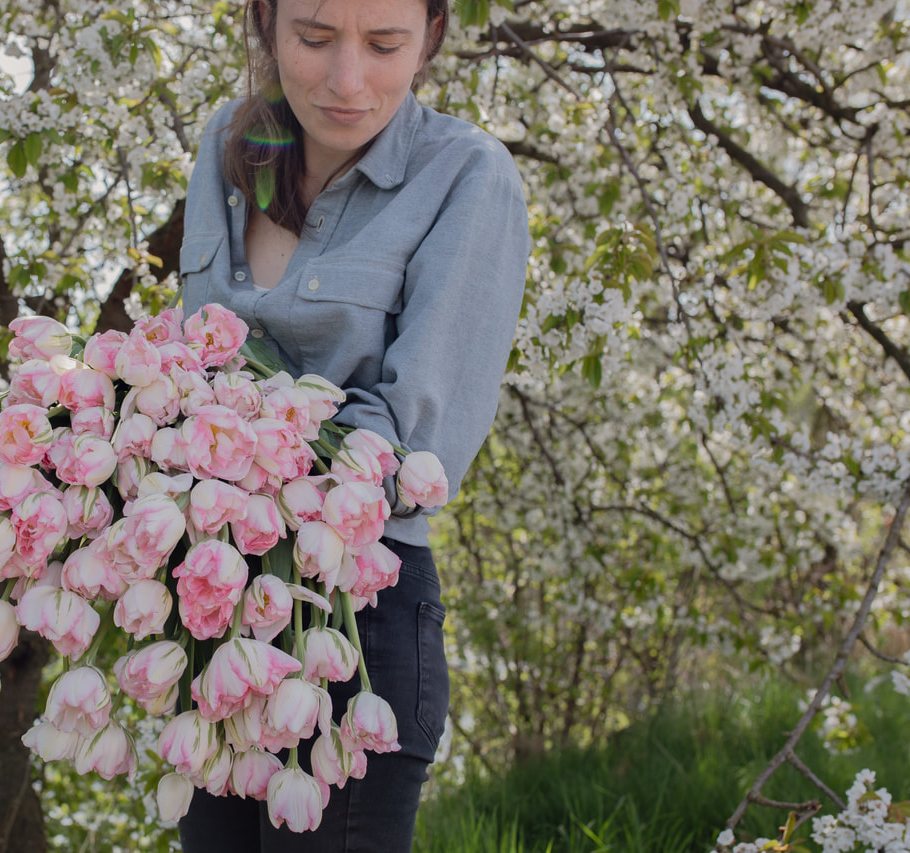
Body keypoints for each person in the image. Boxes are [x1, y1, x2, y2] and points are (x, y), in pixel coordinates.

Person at [177, 0, 529, 849]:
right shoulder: (227, 145)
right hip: (215, 610)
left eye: (384, 44)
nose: (347, 79)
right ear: (266, 22)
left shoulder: (467, 175)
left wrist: (224, 458)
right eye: (314, 37)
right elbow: (188, 370)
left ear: (430, 38)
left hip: (358, 622)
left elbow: (409, 440)